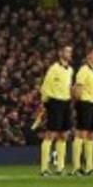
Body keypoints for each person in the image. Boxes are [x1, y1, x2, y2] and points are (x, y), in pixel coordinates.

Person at [38, 44, 74, 176]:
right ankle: (44, 168)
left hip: (66, 102)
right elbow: (45, 86)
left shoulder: (70, 70)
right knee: (50, 134)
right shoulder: (53, 68)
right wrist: (45, 103)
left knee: (63, 135)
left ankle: (60, 167)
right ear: (60, 54)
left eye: (70, 52)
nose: (69, 54)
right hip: (54, 102)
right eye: (67, 52)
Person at [71, 47, 93, 176]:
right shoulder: (83, 70)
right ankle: (76, 167)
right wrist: (78, 104)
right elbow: (78, 89)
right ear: (89, 56)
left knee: (92, 135)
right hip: (85, 104)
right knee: (81, 134)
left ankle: (89, 167)